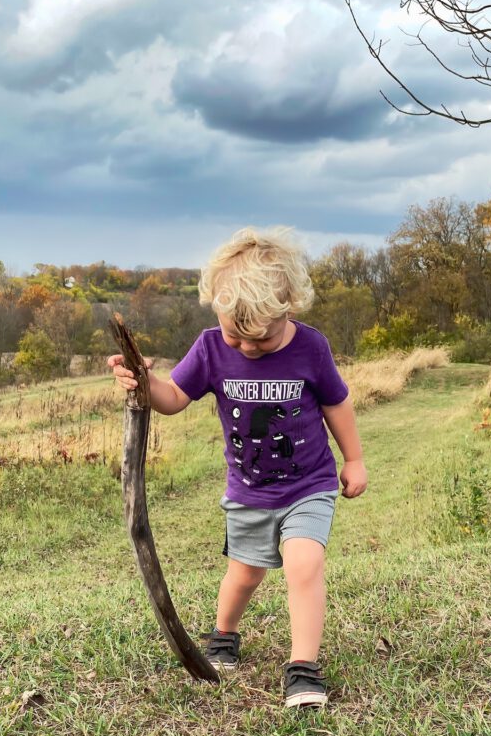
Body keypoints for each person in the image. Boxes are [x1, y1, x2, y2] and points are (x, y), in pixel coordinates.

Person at [107, 228, 367, 708]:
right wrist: (142, 378)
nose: (246, 348)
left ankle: (303, 668)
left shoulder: (311, 348)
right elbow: (173, 399)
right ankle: (224, 633)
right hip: (248, 492)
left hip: (309, 485)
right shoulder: (210, 349)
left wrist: (353, 459)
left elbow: (338, 404)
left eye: (261, 338)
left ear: (288, 307)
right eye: (235, 335)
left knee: (304, 565)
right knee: (244, 574)